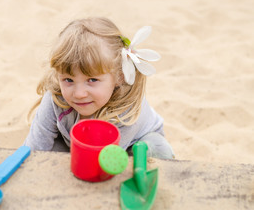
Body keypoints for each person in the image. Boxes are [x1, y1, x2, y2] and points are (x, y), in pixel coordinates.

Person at [23, 17, 174, 159]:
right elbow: (34, 147)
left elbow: (105, 160)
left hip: (130, 146)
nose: (79, 93)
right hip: (77, 146)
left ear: (119, 76)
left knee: (158, 150)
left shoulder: (126, 111)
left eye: (92, 80)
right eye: (69, 80)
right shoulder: (55, 99)